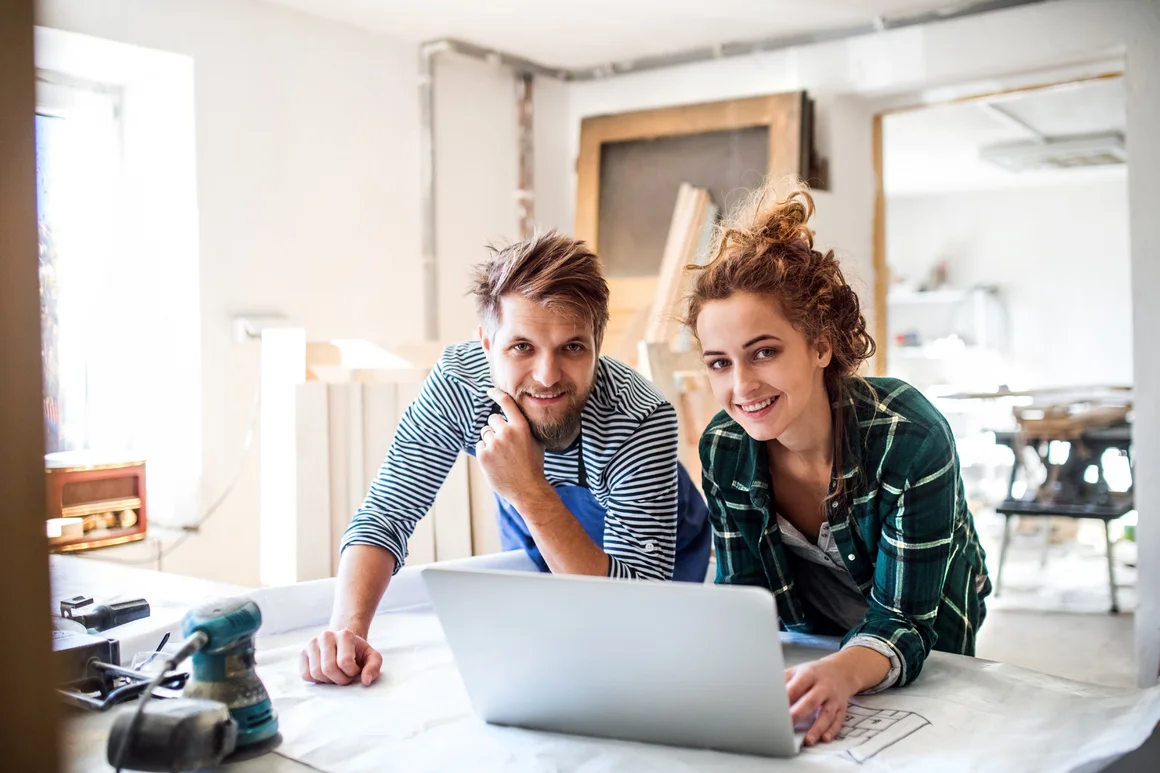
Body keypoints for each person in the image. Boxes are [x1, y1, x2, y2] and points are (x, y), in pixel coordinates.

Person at [301, 231, 711, 686]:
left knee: (631, 667)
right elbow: (385, 515)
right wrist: (346, 630)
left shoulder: (640, 417)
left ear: (598, 346)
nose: (547, 376)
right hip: (536, 537)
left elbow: (636, 607)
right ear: (486, 345)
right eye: (522, 347)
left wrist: (530, 491)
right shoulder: (460, 385)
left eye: (572, 347)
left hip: (662, 556)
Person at [686, 183, 990, 746]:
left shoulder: (911, 437)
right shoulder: (724, 448)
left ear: (821, 346)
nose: (741, 385)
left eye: (765, 352)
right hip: (815, 637)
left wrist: (846, 672)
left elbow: (906, 622)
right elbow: (744, 600)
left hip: (926, 623)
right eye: (719, 363)